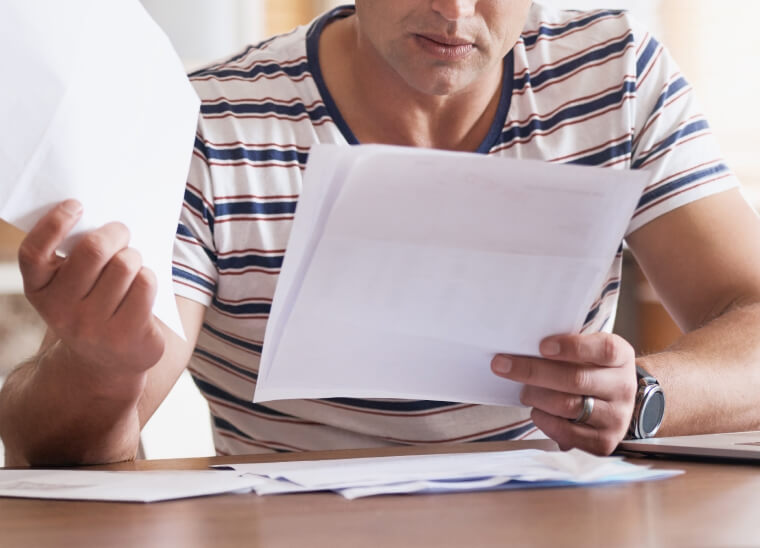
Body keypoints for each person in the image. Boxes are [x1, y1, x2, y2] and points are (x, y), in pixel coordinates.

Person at [3, 1, 760, 466]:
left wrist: (644, 396)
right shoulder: (213, 120)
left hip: (551, 518)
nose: (456, 8)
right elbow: (62, 449)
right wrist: (102, 370)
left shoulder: (614, 73)